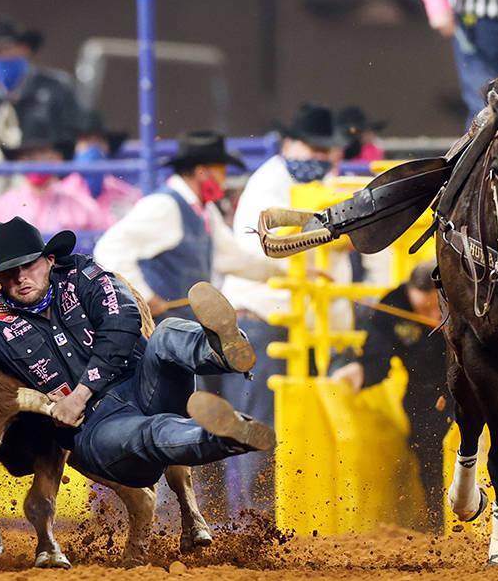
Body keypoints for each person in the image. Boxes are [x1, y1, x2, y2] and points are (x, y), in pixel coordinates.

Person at [0, 217, 276, 492]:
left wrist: (80, 393)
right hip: (97, 429)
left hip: (143, 383)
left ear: (50, 260)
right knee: (151, 432)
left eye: (29, 266)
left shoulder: (85, 273)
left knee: (165, 334)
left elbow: (123, 322)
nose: (21, 278)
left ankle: (225, 349)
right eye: (8, 272)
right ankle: (231, 435)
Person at [217, 105, 352, 517]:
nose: (321, 156)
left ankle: (254, 520)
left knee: (264, 429)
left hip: (292, 328)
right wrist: (325, 246)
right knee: (253, 428)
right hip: (260, 323)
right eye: (313, 147)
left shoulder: (305, 185)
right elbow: (259, 246)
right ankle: (250, 524)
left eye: (326, 149)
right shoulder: (270, 186)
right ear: (289, 143)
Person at [94, 131, 273, 323]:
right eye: (222, 171)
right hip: (158, 329)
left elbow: (234, 259)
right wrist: (144, 296)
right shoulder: (165, 206)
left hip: (181, 328)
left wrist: (282, 269)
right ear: (201, 171)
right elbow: (109, 248)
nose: (224, 179)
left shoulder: (206, 211)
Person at [329, 262, 450, 532]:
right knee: (427, 453)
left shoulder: (463, 297)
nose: (431, 314)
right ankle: (438, 525)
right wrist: (360, 371)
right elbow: (377, 358)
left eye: (437, 308)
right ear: (411, 293)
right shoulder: (391, 307)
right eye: (425, 307)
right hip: (422, 394)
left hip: (466, 385)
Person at [0, 19, 82, 204]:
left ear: (26, 49)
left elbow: (75, 134)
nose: (5, 57)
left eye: (11, 49)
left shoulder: (56, 88)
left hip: (50, 186)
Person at [0, 118, 107, 238]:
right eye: (30, 156)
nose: (37, 163)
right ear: (18, 159)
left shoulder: (85, 208)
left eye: (44, 155)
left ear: (58, 158)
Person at [59, 108, 141, 228]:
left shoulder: (127, 194)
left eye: (99, 141)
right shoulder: (60, 194)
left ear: (108, 148)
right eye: (86, 141)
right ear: (75, 147)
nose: (93, 148)